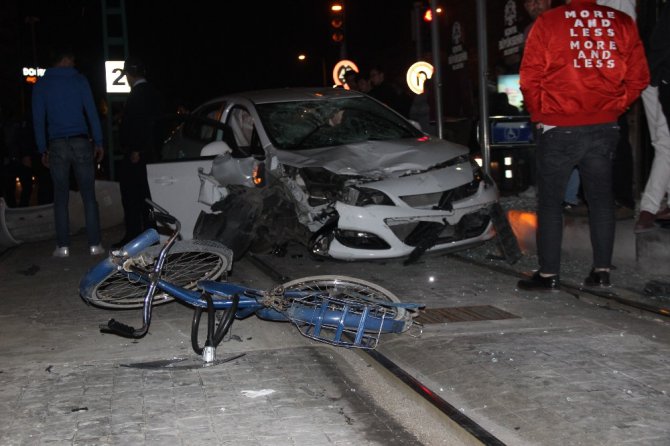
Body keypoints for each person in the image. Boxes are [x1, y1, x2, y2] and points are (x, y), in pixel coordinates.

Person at [517, 0, 649, 291]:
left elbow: (529, 78)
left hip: (559, 125)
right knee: (601, 201)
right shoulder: (621, 22)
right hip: (604, 125)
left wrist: (540, 115)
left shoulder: (549, 22)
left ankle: (549, 274)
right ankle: (601, 271)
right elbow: (639, 77)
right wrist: (614, 106)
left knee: (550, 204)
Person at [32, 45, 104, 257]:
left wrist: (42, 148)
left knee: (60, 196)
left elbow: (38, 119)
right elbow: (92, 113)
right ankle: (95, 245)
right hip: (81, 142)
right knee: (88, 195)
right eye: (72, 61)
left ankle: (63, 246)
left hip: (56, 144)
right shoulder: (79, 80)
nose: (74, 65)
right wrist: (98, 142)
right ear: (64, 60)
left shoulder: (42, 84)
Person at [113, 56, 165, 248]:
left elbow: (139, 124)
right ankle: (152, 234)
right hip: (153, 153)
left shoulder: (136, 95)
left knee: (131, 196)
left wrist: (135, 149)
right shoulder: (155, 93)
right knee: (148, 197)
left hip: (137, 153)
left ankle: (134, 236)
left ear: (129, 75)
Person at [634, 2, 670, 232]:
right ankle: (648, 208)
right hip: (660, 75)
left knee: (663, 143)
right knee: (665, 143)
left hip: (652, 73)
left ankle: (651, 207)